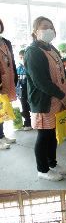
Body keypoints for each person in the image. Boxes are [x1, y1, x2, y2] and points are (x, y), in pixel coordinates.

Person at [24, 16, 66, 181]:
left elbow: (63, 72)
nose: (49, 30)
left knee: (53, 134)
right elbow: (40, 81)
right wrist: (61, 95)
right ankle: (42, 169)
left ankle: (52, 163)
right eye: (44, 27)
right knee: (44, 135)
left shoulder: (52, 48)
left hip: (58, 100)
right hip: (44, 102)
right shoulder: (32, 52)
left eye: (51, 27)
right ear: (35, 31)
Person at [0, 19, 19, 149]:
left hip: (8, 79)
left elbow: (12, 61)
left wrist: (15, 77)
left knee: (3, 109)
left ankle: (2, 135)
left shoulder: (6, 42)